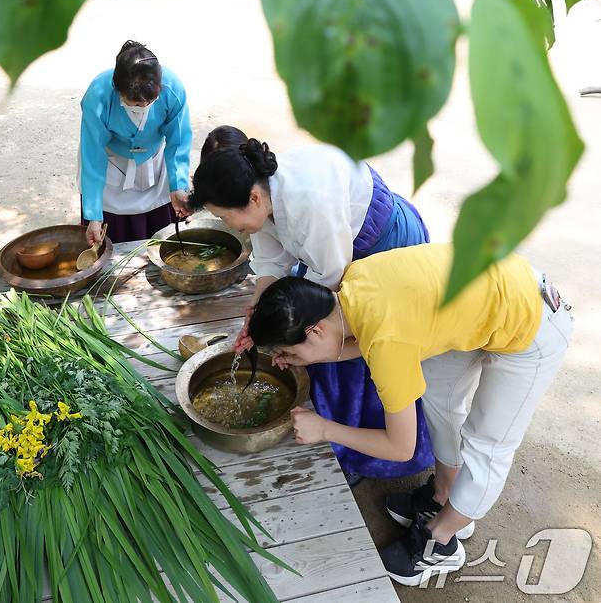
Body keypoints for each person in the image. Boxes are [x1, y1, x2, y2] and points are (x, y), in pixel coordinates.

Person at [246, 244, 573, 586]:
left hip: (534, 324)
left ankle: (441, 540)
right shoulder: (352, 287)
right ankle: (444, 495)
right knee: (440, 402)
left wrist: (325, 429)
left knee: (488, 445)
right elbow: (369, 336)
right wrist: (309, 357)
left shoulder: (386, 342)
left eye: (290, 349)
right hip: (489, 293)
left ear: (314, 331)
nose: (288, 356)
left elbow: (400, 447)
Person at [188, 138, 433, 481]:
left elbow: (323, 292)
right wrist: (256, 312)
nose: (230, 227)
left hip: (381, 250)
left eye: (226, 218)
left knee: (357, 348)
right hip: (335, 257)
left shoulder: (310, 203)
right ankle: (336, 429)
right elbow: (272, 261)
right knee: (319, 343)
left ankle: (363, 449)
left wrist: (279, 329)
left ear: (253, 199)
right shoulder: (263, 196)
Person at [79, 40, 191, 244]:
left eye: (150, 101)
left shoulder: (172, 88)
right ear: (117, 89)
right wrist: (94, 216)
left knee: (159, 239)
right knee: (113, 236)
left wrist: (178, 186)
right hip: (112, 163)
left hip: (154, 162)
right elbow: (92, 156)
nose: (145, 106)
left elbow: (179, 142)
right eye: (137, 103)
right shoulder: (98, 97)